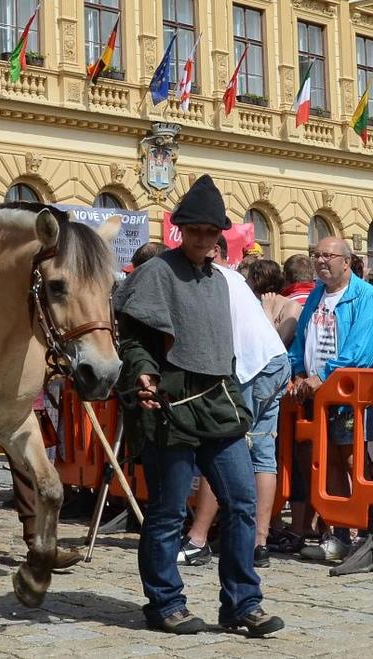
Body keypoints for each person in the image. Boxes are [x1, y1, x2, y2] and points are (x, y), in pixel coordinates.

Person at [114, 174, 282, 636]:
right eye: (196, 230)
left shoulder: (219, 280)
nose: (204, 239)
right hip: (171, 401)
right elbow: (132, 338)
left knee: (242, 501)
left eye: (212, 232)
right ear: (180, 229)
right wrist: (143, 371)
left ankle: (242, 604)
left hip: (217, 400)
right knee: (168, 511)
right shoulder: (155, 273)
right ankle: (165, 603)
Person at [178, 237, 290, 569]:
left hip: (253, 366)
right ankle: (259, 543)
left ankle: (198, 539)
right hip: (274, 360)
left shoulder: (213, 278)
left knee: (223, 446)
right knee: (262, 453)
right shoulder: (235, 278)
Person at [287, 237, 373, 561]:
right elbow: (301, 339)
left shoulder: (365, 297)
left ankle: (365, 533)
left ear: (346, 261)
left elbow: (361, 348)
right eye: (316, 255)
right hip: (317, 394)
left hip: (349, 394)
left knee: (355, 460)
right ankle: (338, 532)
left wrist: (323, 375)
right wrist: (297, 371)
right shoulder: (316, 295)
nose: (321, 260)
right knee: (330, 462)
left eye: (328, 255)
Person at [246, 259, 300, 347]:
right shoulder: (251, 303)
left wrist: (267, 311)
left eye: (249, 278)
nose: (245, 282)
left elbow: (279, 345)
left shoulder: (291, 306)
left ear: (258, 280)